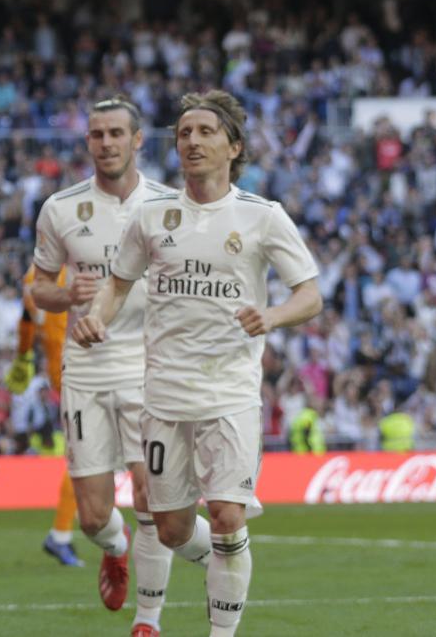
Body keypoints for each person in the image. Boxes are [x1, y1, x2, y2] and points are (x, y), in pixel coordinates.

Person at [72, 90, 322, 637]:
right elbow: (117, 284)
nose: (191, 141)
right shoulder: (152, 216)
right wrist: (97, 317)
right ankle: (225, 561)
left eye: (205, 132)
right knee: (171, 530)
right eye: (184, 133)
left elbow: (310, 294)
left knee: (229, 517)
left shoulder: (263, 217)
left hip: (230, 394)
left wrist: (273, 316)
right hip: (163, 397)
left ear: (233, 146)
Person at [31, 96, 188, 636]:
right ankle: (115, 550)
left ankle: (148, 621)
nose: (106, 143)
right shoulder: (60, 208)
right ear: (88, 143)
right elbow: (39, 289)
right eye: (97, 135)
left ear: (138, 140)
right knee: (95, 516)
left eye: (116, 133)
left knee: (150, 495)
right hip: (88, 368)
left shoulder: (173, 204)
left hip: (150, 369)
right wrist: (65, 292)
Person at [13, 264, 82, 569]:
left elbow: (27, 320)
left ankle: (101, 524)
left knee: (93, 453)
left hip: (70, 369)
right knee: (89, 454)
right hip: (79, 369)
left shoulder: (35, 273)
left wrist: (23, 357)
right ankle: (68, 532)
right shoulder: (75, 264)